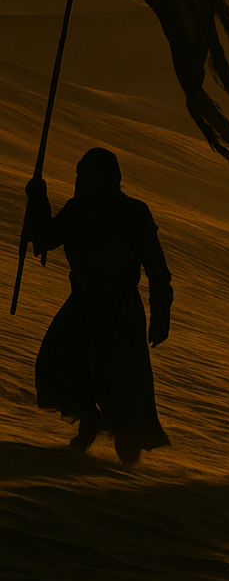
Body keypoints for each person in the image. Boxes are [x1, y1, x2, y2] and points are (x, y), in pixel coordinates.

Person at [25, 148, 172, 467]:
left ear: (110, 178)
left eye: (91, 175)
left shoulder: (134, 212)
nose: (84, 181)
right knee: (58, 364)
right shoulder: (78, 209)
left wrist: (161, 313)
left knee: (121, 384)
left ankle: (128, 459)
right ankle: (89, 419)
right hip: (82, 304)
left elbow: (156, 268)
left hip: (119, 310)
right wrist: (38, 199)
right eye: (81, 174)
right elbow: (46, 239)